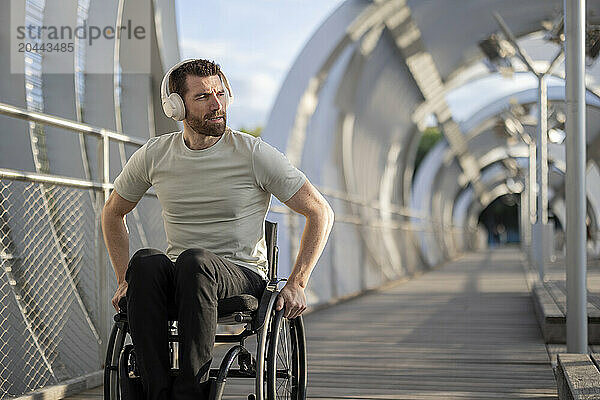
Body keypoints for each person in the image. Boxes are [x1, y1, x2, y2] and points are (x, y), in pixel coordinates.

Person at [101, 58, 334, 400]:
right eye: (203, 97)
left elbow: (320, 212)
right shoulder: (155, 154)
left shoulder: (253, 153)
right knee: (146, 263)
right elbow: (112, 213)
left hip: (241, 275)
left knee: (195, 262)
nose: (217, 105)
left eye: (221, 94)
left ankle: (189, 393)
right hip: (182, 275)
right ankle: (157, 392)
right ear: (176, 107)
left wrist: (298, 283)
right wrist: (124, 279)